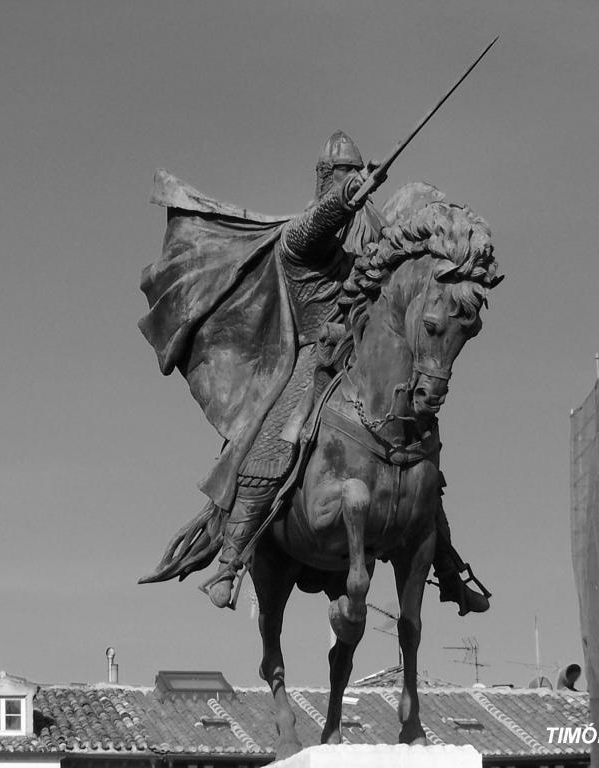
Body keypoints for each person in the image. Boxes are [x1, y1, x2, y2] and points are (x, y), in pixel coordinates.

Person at [139, 132, 490, 614]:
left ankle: (447, 570)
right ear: (329, 181)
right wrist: (345, 198)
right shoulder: (301, 241)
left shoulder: (362, 248)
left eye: (356, 175)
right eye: (345, 176)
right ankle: (233, 554)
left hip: (362, 353)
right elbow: (313, 227)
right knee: (273, 439)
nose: (353, 184)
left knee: (419, 456)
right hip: (312, 355)